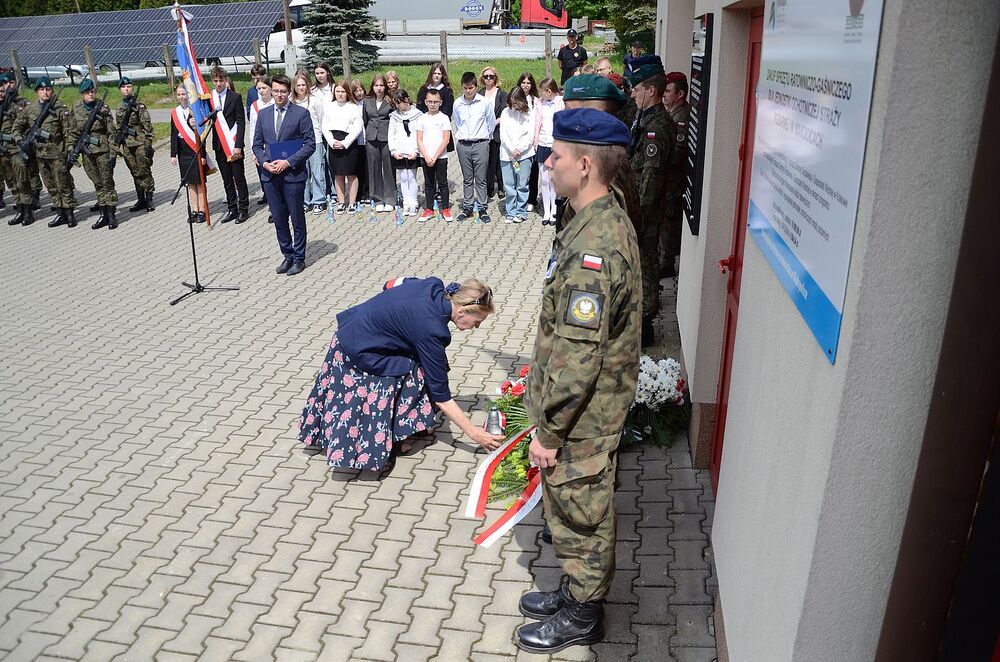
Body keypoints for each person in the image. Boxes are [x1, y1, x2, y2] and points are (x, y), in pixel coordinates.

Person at [515, 107, 640, 654]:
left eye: (557, 156)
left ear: (585, 165)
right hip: (585, 409)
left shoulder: (596, 249)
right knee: (573, 507)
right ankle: (573, 591)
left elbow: (578, 355)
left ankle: (583, 616)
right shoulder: (597, 217)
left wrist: (549, 430)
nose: (548, 163)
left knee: (582, 511)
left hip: (582, 414)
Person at [298, 277, 504, 474]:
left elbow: (391, 284)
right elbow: (441, 394)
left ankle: (405, 427)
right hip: (360, 349)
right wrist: (474, 433)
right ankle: (381, 441)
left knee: (421, 366)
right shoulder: (431, 330)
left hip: (356, 329)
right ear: (462, 311)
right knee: (411, 374)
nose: (476, 327)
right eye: (477, 321)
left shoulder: (433, 286)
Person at [626, 56, 677, 347]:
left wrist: (637, 216)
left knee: (645, 268)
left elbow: (651, 180)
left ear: (652, 91)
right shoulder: (644, 117)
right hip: (638, 210)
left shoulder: (658, 125)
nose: (633, 92)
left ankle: (645, 328)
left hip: (645, 214)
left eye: (637, 88)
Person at [252, 74, 316, 277]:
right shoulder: (263, 115)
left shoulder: (301, 113)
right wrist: (264, 162)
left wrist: (288, 162)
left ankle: (299, 258)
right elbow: (256, 144)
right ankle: (287, 255)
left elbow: (310, 145)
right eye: (276, 91)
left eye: (283, 91)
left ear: (289, 92)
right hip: (270, 176)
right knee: (279, 219)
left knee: (296, 218)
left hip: (292, 175)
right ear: (271, 90)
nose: (279, 94)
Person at [13, 77, 76, 228]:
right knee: (51, 185)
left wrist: (69, 151)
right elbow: (17, 127)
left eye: (48, 89)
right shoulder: (30, 109)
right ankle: (60, 213)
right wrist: (20, 140)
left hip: (57, 153)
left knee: (63, 184)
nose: (45, 92)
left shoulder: (60, 108)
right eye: (42, 90)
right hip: (40, 155)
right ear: (37, 92)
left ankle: (69, 213)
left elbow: (69, 132)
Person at [68, 79, 119, 230]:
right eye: (87, 92)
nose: (91, 94)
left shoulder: (102, 107)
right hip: (87, 153)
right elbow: (72, 131)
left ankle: (111, 215)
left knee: (107, 183)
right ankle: (103, 214)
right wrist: (71, 148)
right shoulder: (76, 109)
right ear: (82, 94)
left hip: (102, 151)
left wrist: (113, 153)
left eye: (93, 92)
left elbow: (111, 132)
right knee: (97, 184)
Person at [453, 71, 496, 223]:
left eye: (471, 88)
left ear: (476, 87)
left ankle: (482, 207)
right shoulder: (458, 103)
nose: (468, 91)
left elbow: (491, 123)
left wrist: (485, 139)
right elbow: (457, 123)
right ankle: (468, 206)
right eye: (465, 88)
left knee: (481, 178)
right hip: (463, 144)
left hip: (481, 144)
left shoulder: (484, 103)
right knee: (467, 178)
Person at [209, 66, 250, 224]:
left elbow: (241, 122)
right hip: (219, 145)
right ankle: (232, 208)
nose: (218, 84)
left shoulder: (235, 97)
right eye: (215, 81)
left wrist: (238, 145)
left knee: (239, 178)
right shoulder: (209, 98)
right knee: (226, 179)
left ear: (226, 80)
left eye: (221, 80)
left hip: (233, 144)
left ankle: (244, 209)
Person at [661, 71, 691, 278]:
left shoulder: (680, 117)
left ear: (680, 94)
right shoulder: (672, 113)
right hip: (670, 179)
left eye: (668, 91)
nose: (664, 95)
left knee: (670, 220)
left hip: (674, 179)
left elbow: (678, 153)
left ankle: (667, 261)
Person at [322, 79, 363, 214]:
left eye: (343, 91)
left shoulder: (353, 107)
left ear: (347, 93)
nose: (340, 94)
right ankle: (341, 202)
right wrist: (332, 142)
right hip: (334, 142)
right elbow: (325, 126)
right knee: (338, 174)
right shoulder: (329, 106)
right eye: (337, 91)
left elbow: (358, 127)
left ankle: (351, 202)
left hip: (349, 144)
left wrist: (345, 143)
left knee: (351, 173)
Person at [170, 84, 209, 225]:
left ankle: (202, 210)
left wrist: (203, 155)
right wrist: (173, 154)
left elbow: (202, 134)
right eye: (179, 94)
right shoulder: (175, 113)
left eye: (183, 94)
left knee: (199, 181)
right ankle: (194, 209)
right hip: (183, 151)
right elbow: (173, 134)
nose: (181, 97)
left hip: (195, 148)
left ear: (188, 94)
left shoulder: (195, 110)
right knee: (189, 182)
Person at [116, 77, 156, 214]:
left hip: (140, 143)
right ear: (120, 89)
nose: (126, 89)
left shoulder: (139, 106)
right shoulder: (119, 107)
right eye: (123, 87)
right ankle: (141, 199)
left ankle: (149, 198)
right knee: (135, 172)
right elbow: (119, 127)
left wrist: (148, 144)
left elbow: (147, 126)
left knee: (144, 170)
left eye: (128, 86)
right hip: (127, 145)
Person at [1, 74, 37, 226]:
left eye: (2, 92)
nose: (1, 94)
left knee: (22, 181)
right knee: (11, 182)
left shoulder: (14, 108)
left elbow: (27, 126)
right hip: (2, 153)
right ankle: (20, 210)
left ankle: (28, 212)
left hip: (15, 150)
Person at [498, 87, 535, 224]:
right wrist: (512, 149)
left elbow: (530, 135)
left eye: (517, 103)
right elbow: (503, 134)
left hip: (524, 154)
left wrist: (520, 149)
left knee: (522, 184)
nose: (514, 106)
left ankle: (521, 212)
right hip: (507, 154)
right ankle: (510, 211)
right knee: (509, 185)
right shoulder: (505, 113)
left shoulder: (530, 114)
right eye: (512, 103)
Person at [292, 72, 327, 216]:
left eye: (303, 85)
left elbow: (321, 119)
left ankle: (319, 200)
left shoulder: (315, 101)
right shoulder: (292, 102)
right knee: (302, 173)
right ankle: (305, 201)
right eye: (298, 85)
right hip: (298, 143)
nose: (301, 87)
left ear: (307, 85)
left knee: (317, 171)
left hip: (315, 141)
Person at [416, 88, 452, 222]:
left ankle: (446, 208)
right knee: (429, 184)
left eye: (435, 102)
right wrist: (426, 155)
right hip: (426, 157)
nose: (433, 104)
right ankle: (429, 209)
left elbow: (446, 140)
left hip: (440, 157)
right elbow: (419, 139)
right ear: (425, 102)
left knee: (443, 183)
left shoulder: (444, 118)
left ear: (440, 102)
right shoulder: (421, 118)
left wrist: (435, 156)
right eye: (430, 101)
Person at [533, 78, 564, 225]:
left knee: (553, 179)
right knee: (544, 179)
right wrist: (535, 141)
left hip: (555, 144)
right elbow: (537, 123)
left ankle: (554, 210)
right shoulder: (539, 103)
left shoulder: (560, 102)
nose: (540, 94)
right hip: (542, 143)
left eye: (542, 91)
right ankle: (546, 211)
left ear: (549, 91)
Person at [363, 74, 396, 212]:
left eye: (381, 85)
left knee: (388, 168)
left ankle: (390, 198)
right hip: (371, 138)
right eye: (376, 85)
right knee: (374, 168)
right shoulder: (367, 101)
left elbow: (395, 120)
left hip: (386, 137)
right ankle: (377, 198)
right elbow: (364, 120)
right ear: (372, 87)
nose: (379, 88)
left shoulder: (390, 101)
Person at [388, 89, 422, 217]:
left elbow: (419, 134)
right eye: (396, 104)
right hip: (400, 150)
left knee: (411, 177)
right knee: (403, 177)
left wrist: (417, 151)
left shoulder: (417, 115)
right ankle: (406, 203)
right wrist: (394, 150)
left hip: (412, 150)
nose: (398, 106)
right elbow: (391, 134)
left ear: (407, 100)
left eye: (399, 103)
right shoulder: (395, 116)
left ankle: (413, 202)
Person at [478, 66, 507, 203]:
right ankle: (488, 188)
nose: (488, 79)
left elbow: (504, 112)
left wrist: (494, 123)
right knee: (487, 162)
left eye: (491, 76)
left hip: (497, 131)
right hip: (482, 133)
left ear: (495, 78)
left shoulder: (502, 94)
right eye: (486, 76)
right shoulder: (479, 94)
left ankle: (501, 187)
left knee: (498, 162)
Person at [248, 76, 274, 215]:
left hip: (275, 147)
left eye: (264, 88)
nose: (261, 91)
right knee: (265, 179)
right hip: (261, 149)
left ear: (270, 88)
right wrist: (254, 151)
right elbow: (252, 129)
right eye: (259, 88)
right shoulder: (255, 106)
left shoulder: (276, 102)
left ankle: (276, 207)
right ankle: (271, 205)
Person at [516, 73, 540, 213]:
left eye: (528, 83)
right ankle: (519, 199)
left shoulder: (536, 101)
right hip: (518, 142)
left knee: (533, 172)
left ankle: (532, 199)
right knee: (518, 173)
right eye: (523, 82)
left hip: (532, 141)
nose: (525, 85)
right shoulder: (515, 99)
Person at [350, 79, 370, 204]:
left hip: (366, 139)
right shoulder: (351, 105)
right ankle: (358, 194)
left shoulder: (367, 103)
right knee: (357, 168)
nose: (359, 93)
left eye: (361, 90)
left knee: (367, 168)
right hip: (355, 141)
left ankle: (367, 192)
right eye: (356, 91)